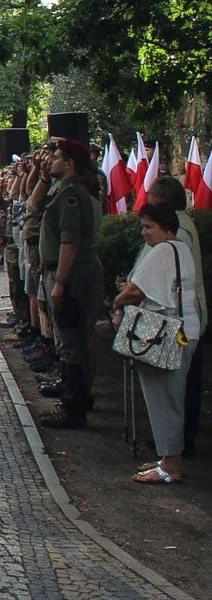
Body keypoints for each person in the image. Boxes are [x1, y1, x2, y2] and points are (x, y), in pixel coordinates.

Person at [113, 203, 202, 484]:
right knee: (173, 397)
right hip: (187, 328)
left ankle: (170, 464)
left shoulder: (162, 251)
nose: (144, 233)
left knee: (161, 397)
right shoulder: (182, 249)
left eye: (149, 227)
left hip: (164, 331)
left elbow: (135, 291)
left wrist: (117, 302)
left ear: (166, 228)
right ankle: (169, 457)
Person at [37, 139, 103, 429]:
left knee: (71, 342)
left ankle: (74, 407)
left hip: (72, 277)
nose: (51, 160)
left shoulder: (71, 195)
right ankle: (72, 397)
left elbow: (70, 242)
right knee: (68, 340)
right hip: (66, 274)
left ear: (70, 163)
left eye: (57, 157)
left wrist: (60, 282)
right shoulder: (63, 190)